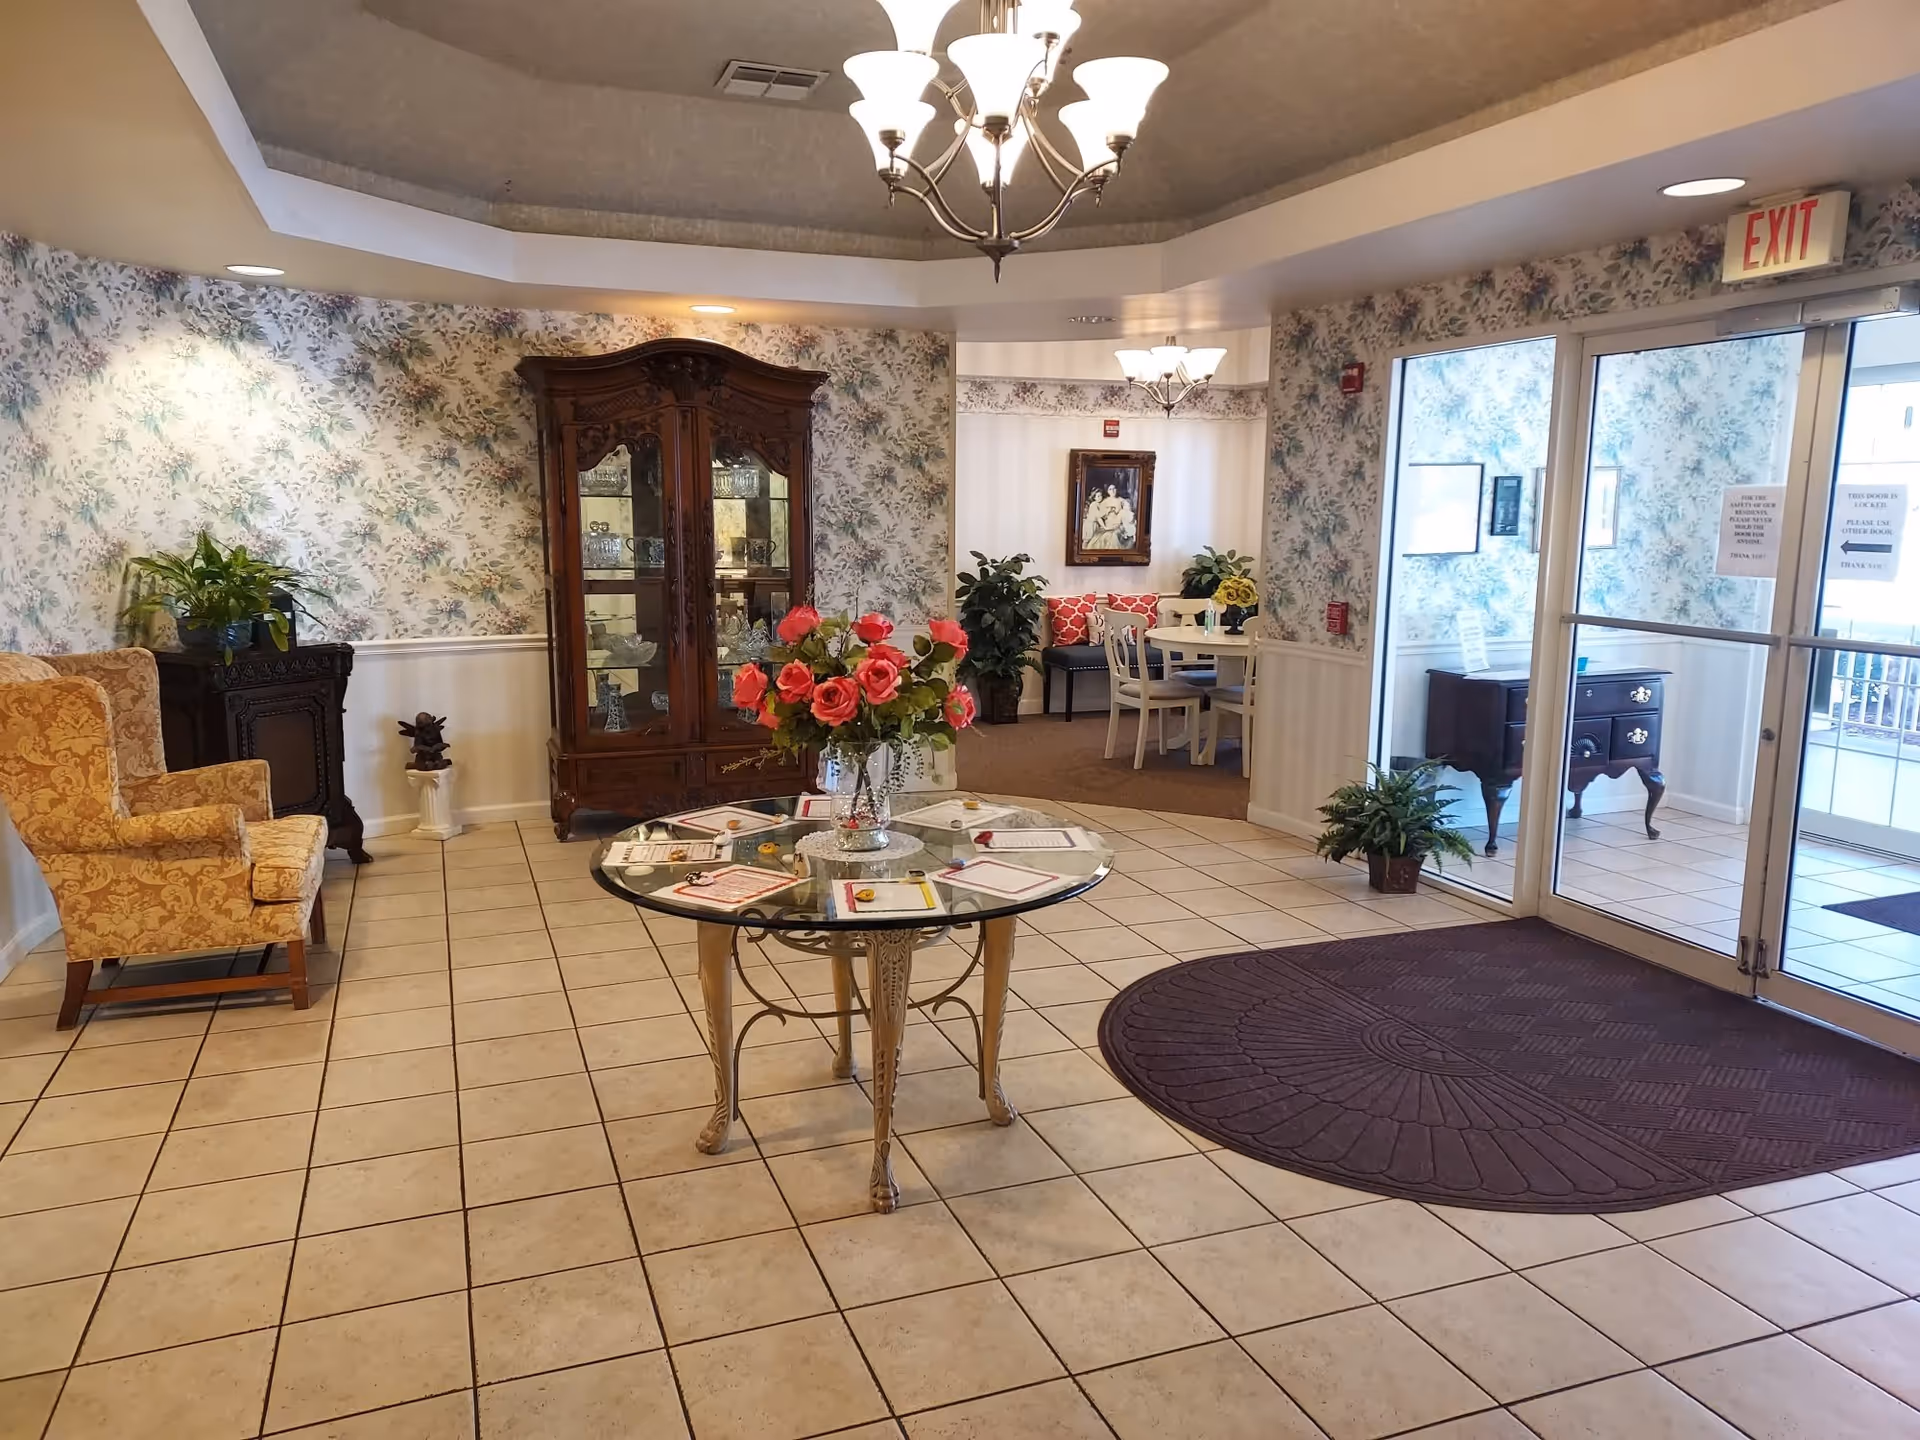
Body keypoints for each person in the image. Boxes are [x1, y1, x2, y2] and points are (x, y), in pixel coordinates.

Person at [1082, 481, 1136, 550]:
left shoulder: (1121, 500)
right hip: (1107, 522)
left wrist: (1119, 511)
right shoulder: (1104, 501)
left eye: (1114, 488)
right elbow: (1100, 515)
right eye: (1110, 489)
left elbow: (1126, 511)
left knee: (1115, 535)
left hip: (1117, 521)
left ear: (1116, 490)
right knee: (1102, 537)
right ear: (1107, 491)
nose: (1112, 491)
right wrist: (1108, 512)